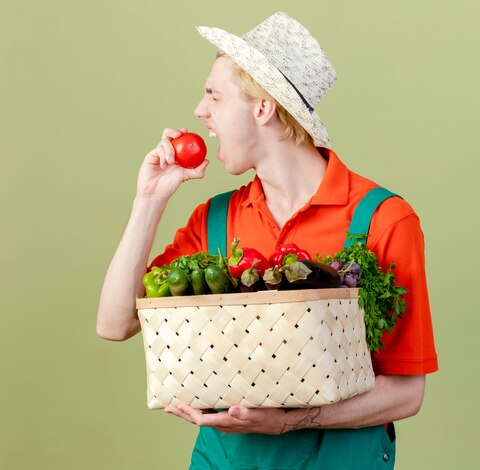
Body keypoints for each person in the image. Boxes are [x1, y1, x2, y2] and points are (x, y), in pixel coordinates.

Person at [97, 11, 438, 469]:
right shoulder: (215, 220)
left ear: (263, 108)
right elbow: (114, 324)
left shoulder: (383, 220)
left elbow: (406, 393)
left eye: (214, 95)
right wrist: (148, 199)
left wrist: (290, 420)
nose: (200, 112)